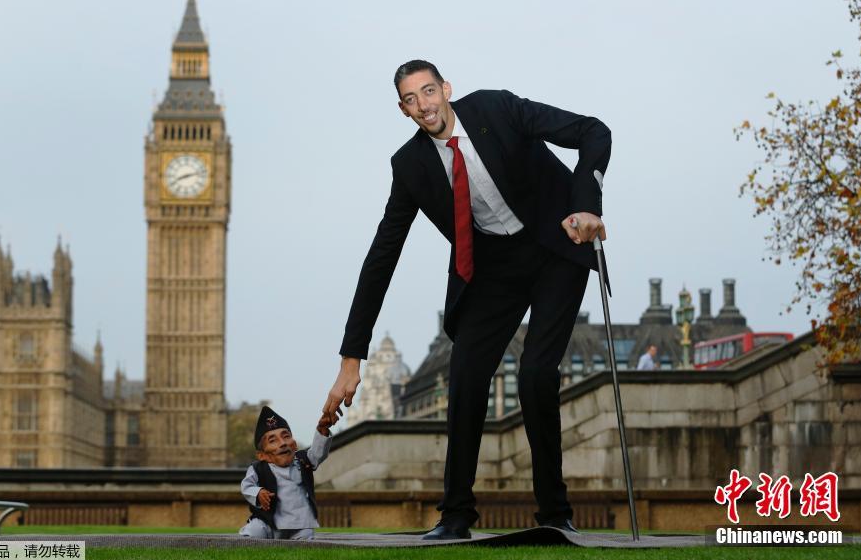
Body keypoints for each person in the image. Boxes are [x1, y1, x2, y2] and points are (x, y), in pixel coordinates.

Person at [323, 60, 611, 540]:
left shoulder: (497, 108)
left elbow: (593, 131)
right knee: (466, 375)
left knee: (537, 373)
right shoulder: (410, 165)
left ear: (446, 89)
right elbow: (381, 258)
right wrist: (351, 358)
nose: (424, 105)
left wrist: (587, 205)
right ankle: (455, 515)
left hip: (555, 244)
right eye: (411, 100)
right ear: (403, 110)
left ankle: (555, 512)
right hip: (493, 269)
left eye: (429, 91)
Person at [238, 406, 333, 540]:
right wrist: (258, 492)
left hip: (300, 523)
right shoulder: (258, 469)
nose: (282, 443)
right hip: (269, 522)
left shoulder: (302, 460)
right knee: (254, 532)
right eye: (273, 440)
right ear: (262, 455)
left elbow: (318, 454)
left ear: (294, 444)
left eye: (286, 436)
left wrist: (322, 430)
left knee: (305, 541)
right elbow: (246, 486)